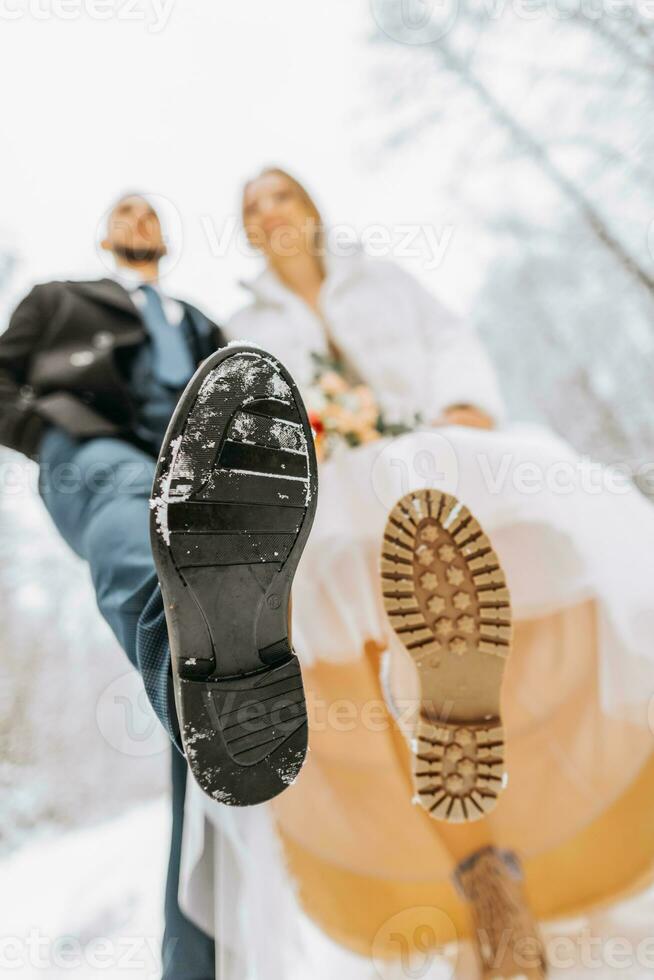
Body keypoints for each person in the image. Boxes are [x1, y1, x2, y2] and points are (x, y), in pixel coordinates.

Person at [174, 168, 654, 979]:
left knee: (500, 552)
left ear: (311, 208)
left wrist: (465, 405)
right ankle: (473, 824)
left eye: (279, 195)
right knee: (351, 646)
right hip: (325, 492)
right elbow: (249, 422)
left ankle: (481, 839)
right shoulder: (244, 327)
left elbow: (448, 342)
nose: (266, 212)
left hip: (427, 459)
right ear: (247, 234)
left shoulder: (385, 279)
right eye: (250, 207)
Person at [0, 192, 318, 980]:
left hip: (196, 476)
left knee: (205, 763)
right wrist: (48, 432)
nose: (139, 220)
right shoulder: (58, 299)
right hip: (96, 452)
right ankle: (176, 633)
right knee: (132, 529)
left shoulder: (203, 324)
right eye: (126, 211)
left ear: (167, 239)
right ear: (106, 233)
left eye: (151, 212)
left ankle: (194, 964)